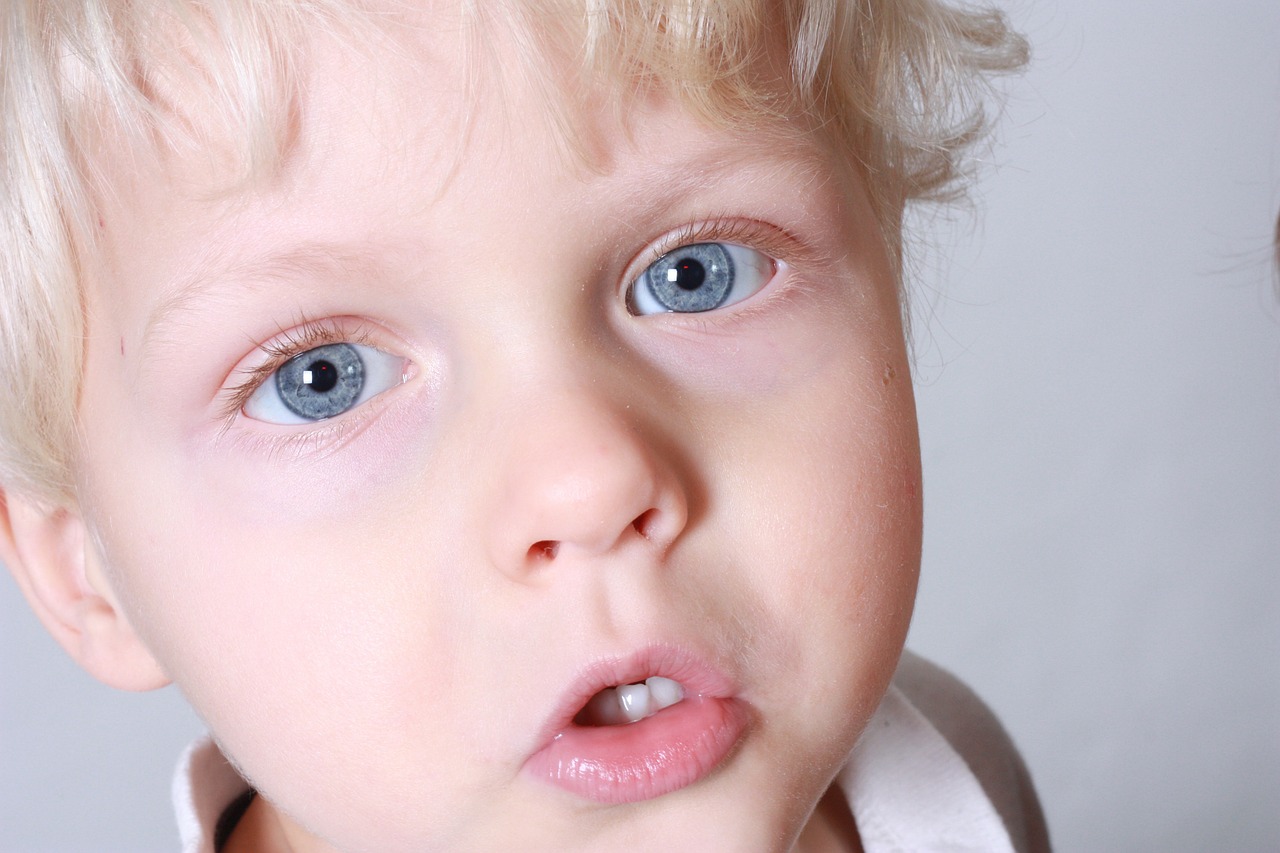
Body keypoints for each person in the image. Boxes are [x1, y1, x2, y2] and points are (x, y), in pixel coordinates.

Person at [0, 1, 1047, 850]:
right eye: (321, 378)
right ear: (86, 569)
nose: (588, 479)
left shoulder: (949, 778)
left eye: (694, 275)